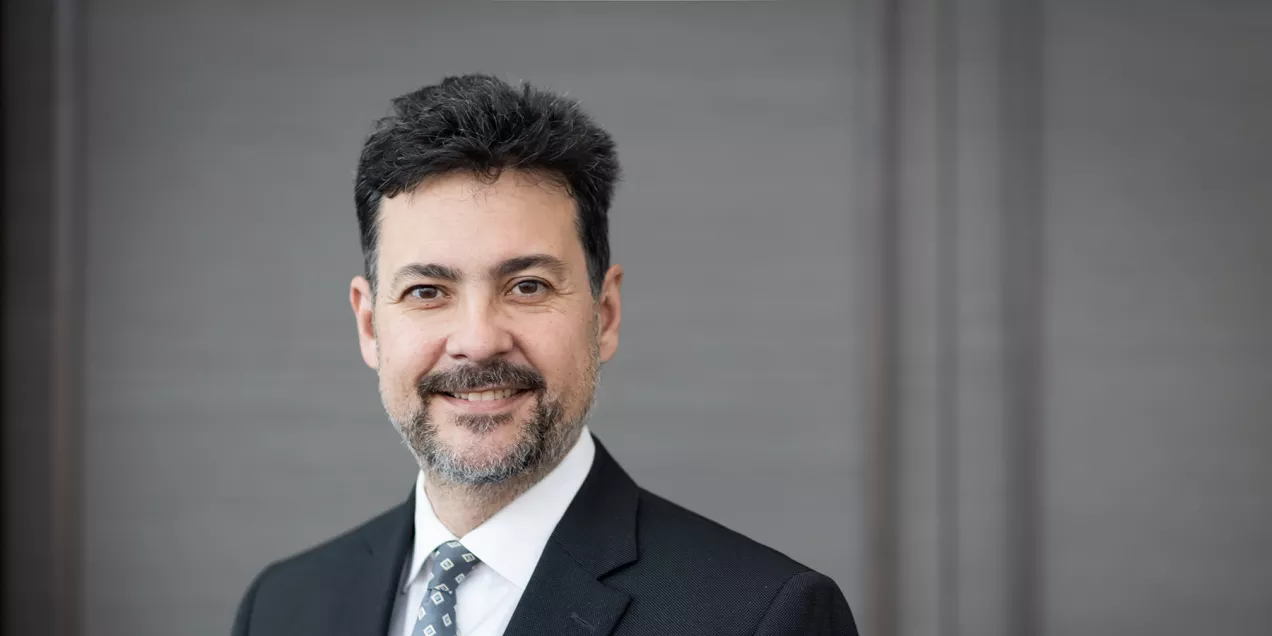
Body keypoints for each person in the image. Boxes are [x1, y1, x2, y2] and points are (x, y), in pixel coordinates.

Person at [231, 73, 858, 636]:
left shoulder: (763, 617)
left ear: (603, 314)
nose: (478, 340)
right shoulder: (283, 607)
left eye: (527, 286)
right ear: (370, 325)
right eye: (428, 291)